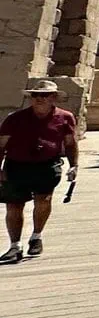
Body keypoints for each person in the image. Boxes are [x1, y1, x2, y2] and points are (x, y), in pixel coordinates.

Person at [1, 81, 80, 263]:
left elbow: (70, 143)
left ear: (53, 97)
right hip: (16, 165)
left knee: (43, 200)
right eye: (35, 95)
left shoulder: (65, 117)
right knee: (14, 205)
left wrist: (74, 165)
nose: (39, 99)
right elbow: (1, 145)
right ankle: (15, 246)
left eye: (44, 95)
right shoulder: (15, 118)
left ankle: (36, 236)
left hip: (46, 165)